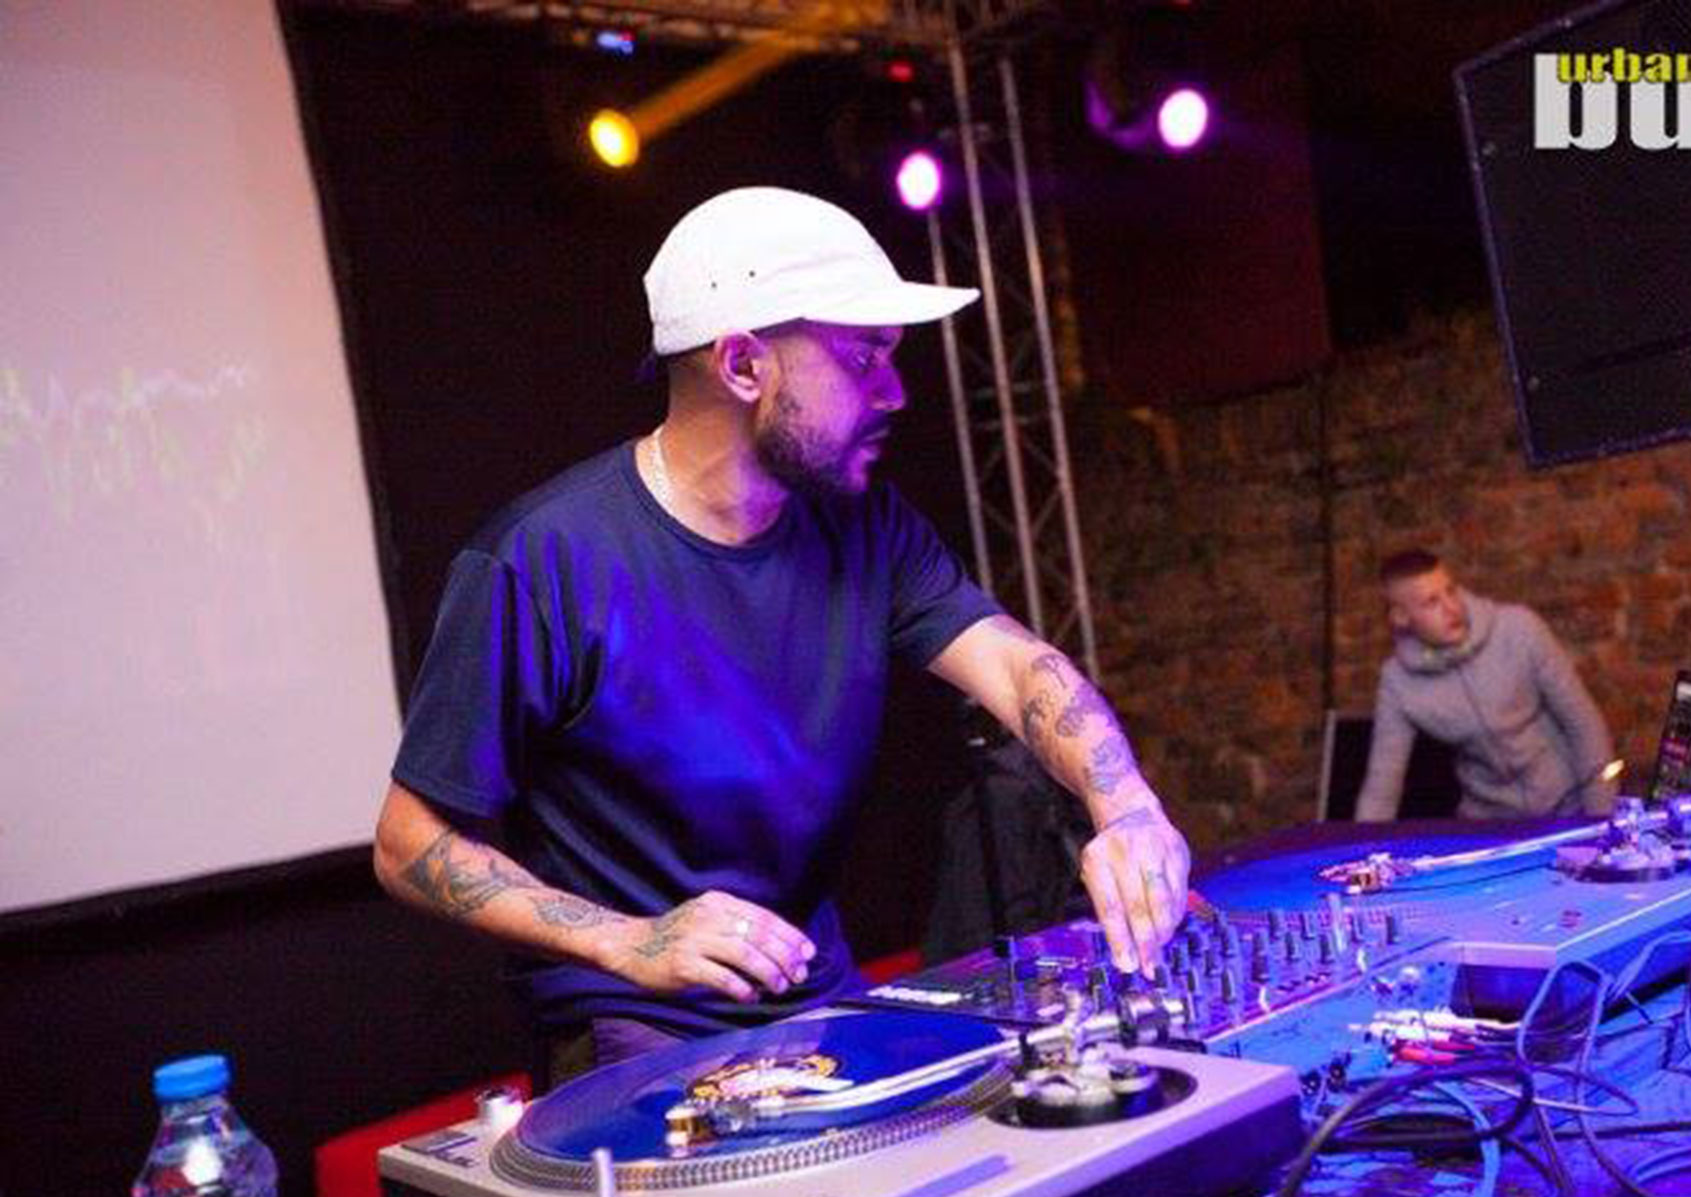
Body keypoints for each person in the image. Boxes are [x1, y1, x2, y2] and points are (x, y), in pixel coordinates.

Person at [370, 187, 1189, 1079]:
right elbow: (409, 844)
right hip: (636, 1029)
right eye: (863, 357)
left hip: (814, 1003)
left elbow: (1017, 667)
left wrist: (1129, 809)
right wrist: (631, 941)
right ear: (742, 365)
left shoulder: (866, 525)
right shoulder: (542, 561)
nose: (895, 391)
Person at [1354, 550, 1619, 821]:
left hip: (1569, 805)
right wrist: (1363, 845)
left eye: (1451, 591)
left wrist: (1600, 817)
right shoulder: (1398, 681)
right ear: (1400, 617)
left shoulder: (1520, 628)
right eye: (1432, 602)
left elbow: (1582, 722)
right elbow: (1382, 784)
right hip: (1490, 821)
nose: (1451, 608)